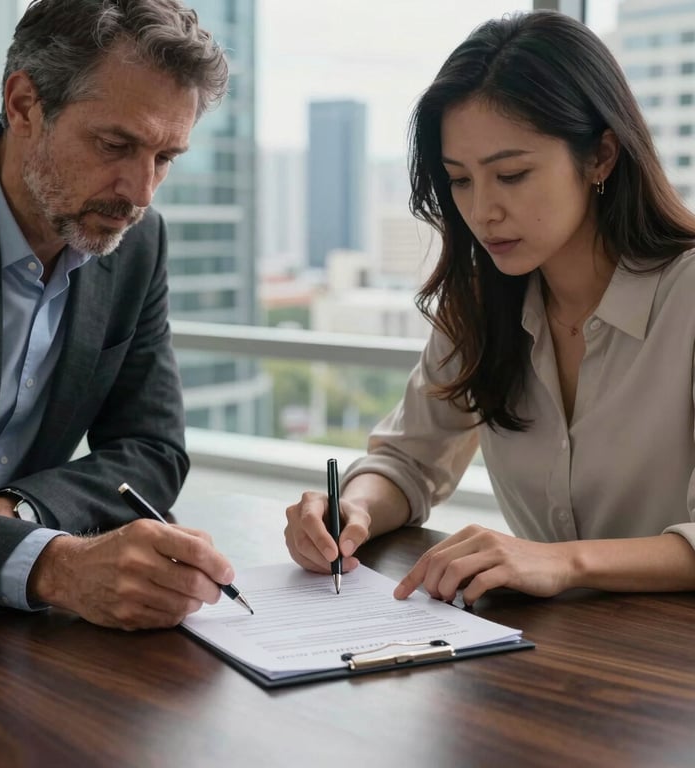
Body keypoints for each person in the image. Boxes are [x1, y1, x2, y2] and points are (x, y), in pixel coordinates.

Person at [285, 10, 695, 605]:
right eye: (460, 180)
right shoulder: (482, 299)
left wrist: (561, 562)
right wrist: (352, 509)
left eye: (512, 174)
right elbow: (409, 460)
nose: (483, 212)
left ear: (602, 155)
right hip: (553, 657)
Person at [0, 0, 237, 630]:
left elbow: (151, 448)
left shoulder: (137, 245)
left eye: (165, 157)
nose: (140, 193)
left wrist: (22, 512)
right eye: (115, 144)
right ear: (23, 106)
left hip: (16, 646)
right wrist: (50, 565)